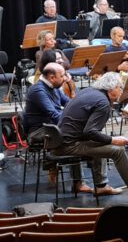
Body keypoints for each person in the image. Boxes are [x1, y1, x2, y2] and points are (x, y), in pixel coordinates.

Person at [53, 72, 128, 201]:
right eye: (120, 87)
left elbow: (90, 132)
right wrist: (114, 140)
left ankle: (101, 186)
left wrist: (108, 139)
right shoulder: (103, 102)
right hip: (68, 145)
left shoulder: (89, 91)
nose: (122, 91)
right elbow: (90, 132)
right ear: (111, 89)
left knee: (103, 142)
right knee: (117, 150)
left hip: (62, 140)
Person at [23, 63, 89, 192]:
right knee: (74, 136)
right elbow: (53, 114)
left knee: (78, 134)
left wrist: (84, 109)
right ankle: (76, 181)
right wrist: (76, 123)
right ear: (52, 77)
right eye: (62, 75)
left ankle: (73, 178)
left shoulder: (53, 87)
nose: (65, 78)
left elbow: (69, 104)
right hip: (39, 131)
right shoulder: (38, 90)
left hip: (52, 128)